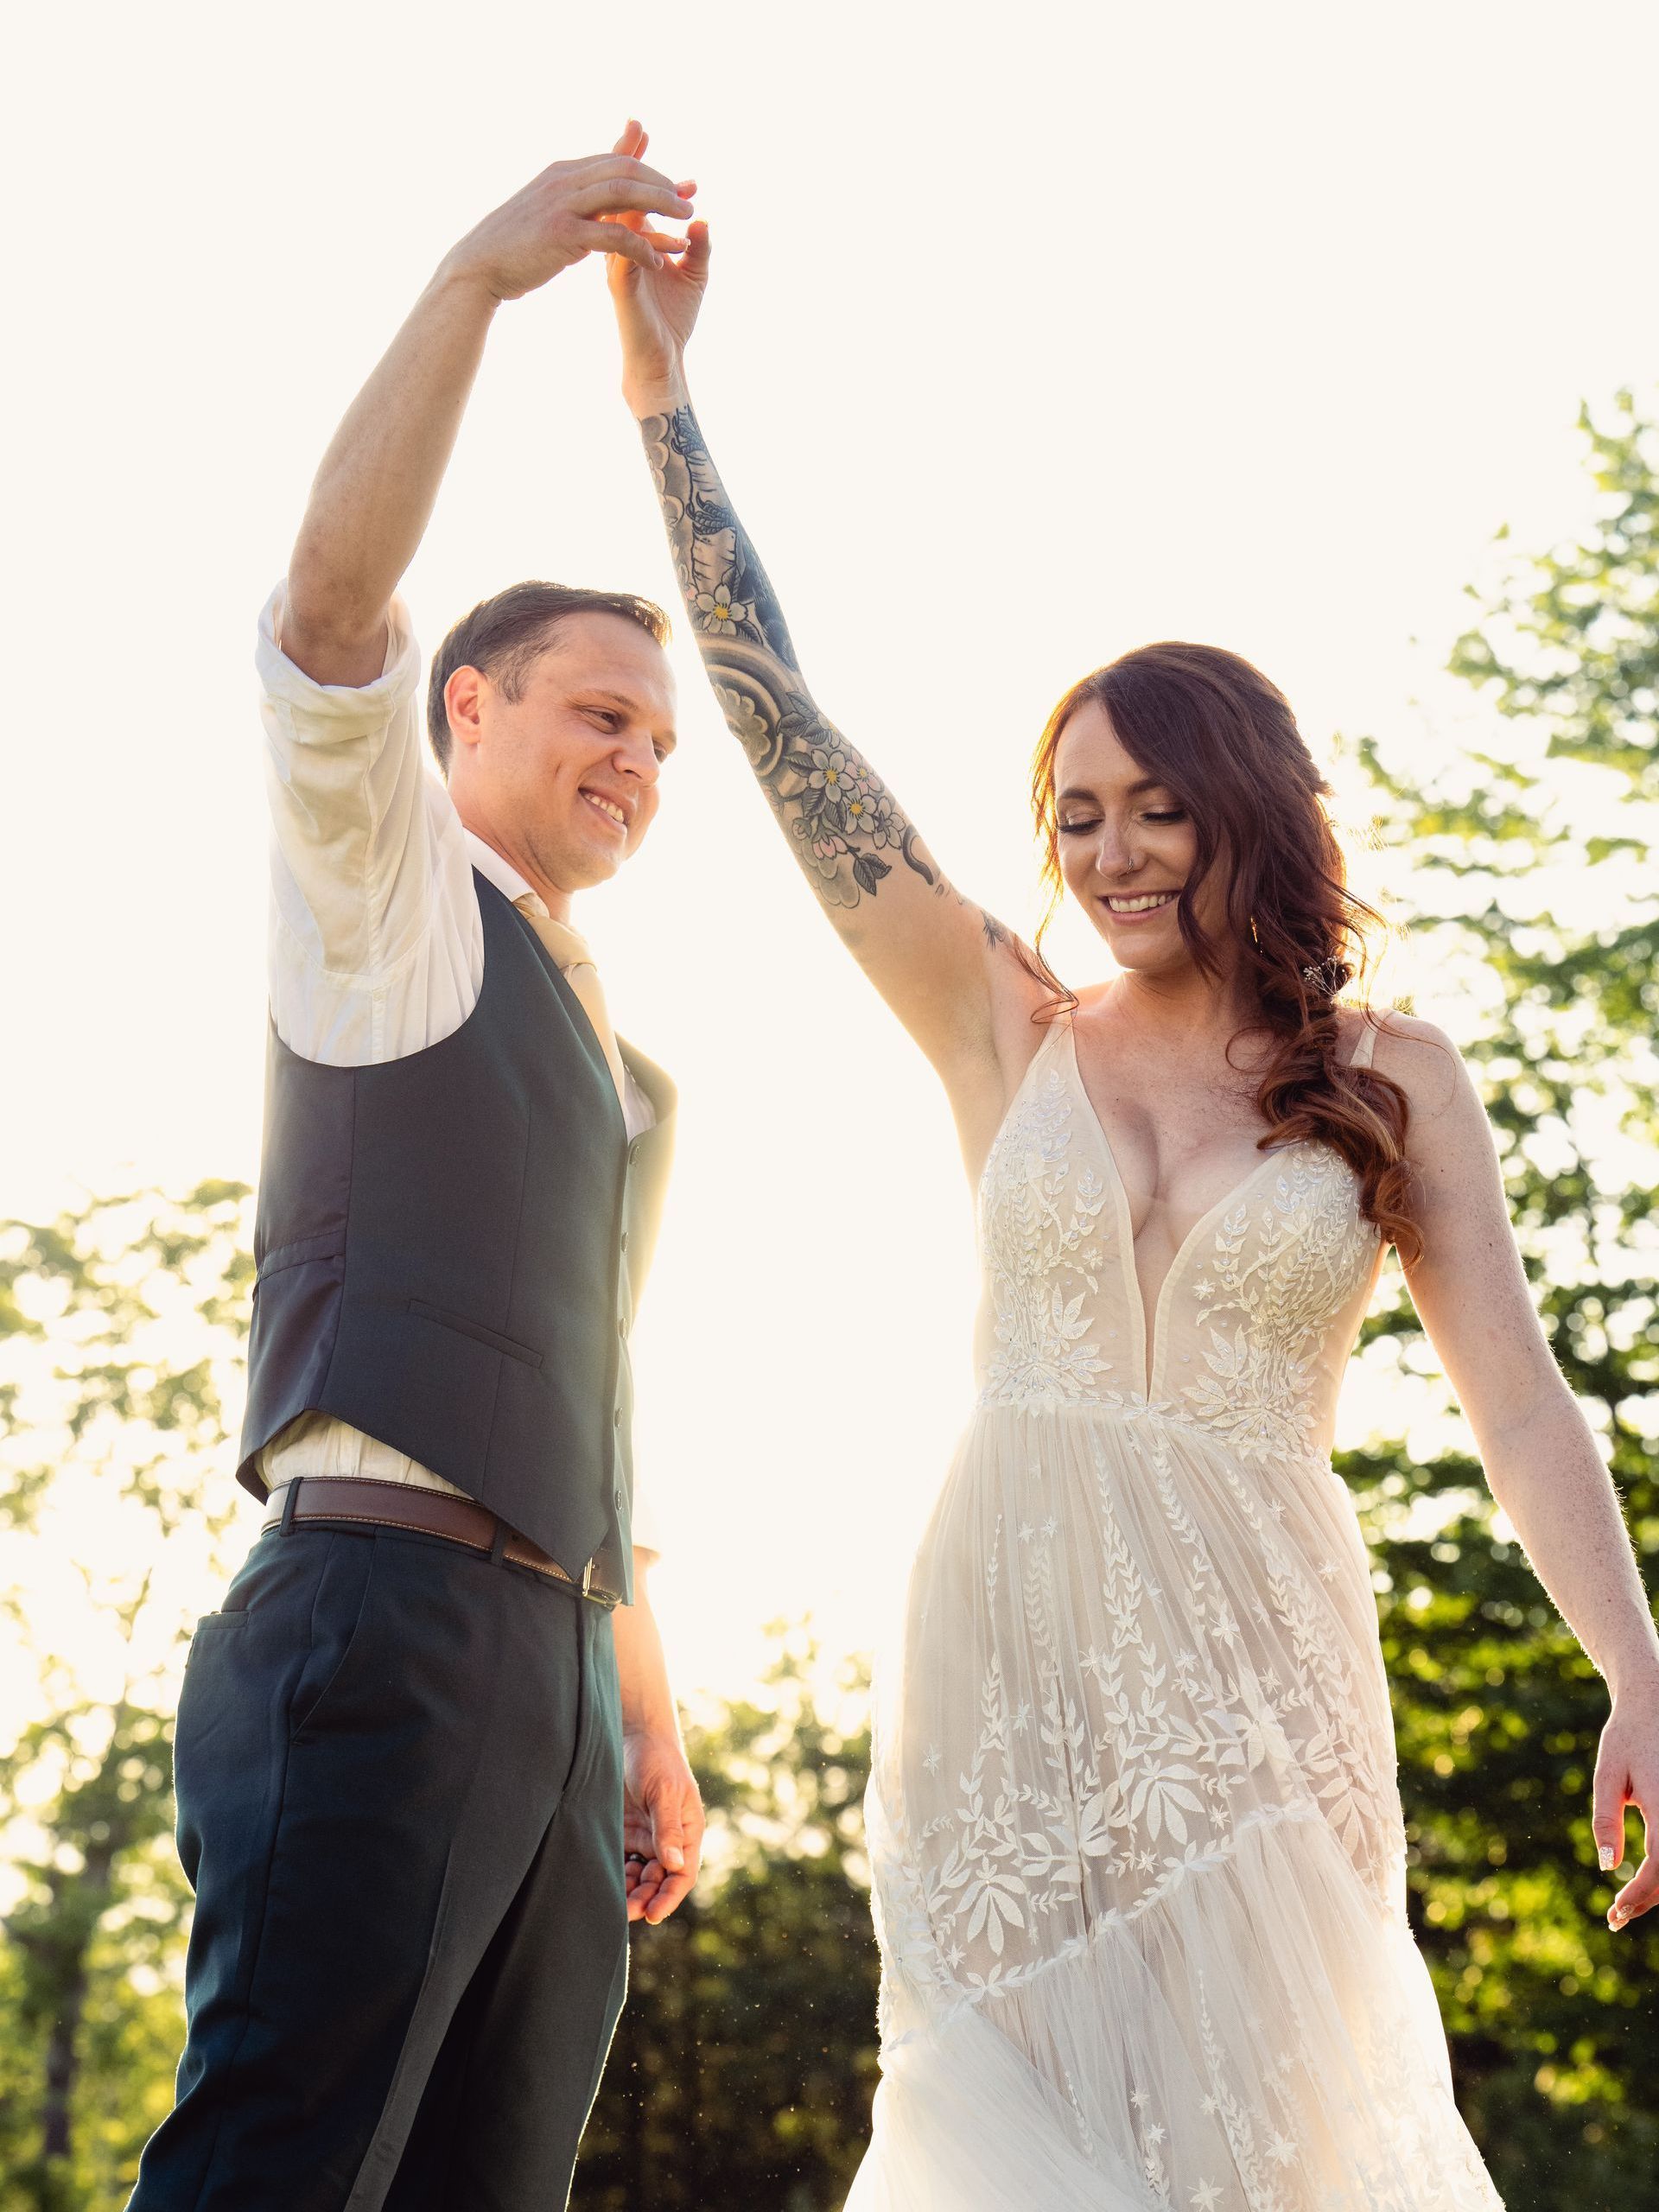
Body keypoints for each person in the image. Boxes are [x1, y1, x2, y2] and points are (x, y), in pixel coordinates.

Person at [602, 207, 1659, 2206]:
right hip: (1005, 1668)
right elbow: (774, 715)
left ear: (1246, 801)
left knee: (1265, 2152)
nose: (1108, 851)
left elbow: (1519, 1402)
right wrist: (665, 395)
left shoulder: (1391, 1076)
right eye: (1075, 813)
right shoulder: (1007, 1028)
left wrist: (1637, 1661)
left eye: (1152, 803)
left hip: (1265, 1681)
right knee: (1010, 2143)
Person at [129, 133, 705, 2212]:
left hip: (552, 1674)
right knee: (282, 2170)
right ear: (467, 707)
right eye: (597, 711)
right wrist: (481, 279)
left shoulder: (624, 1064)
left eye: (661, 739)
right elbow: (326, 605)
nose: (636, 758)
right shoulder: (391, 896)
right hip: (372, 1620)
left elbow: (604, 1405)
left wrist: (644, 1710)